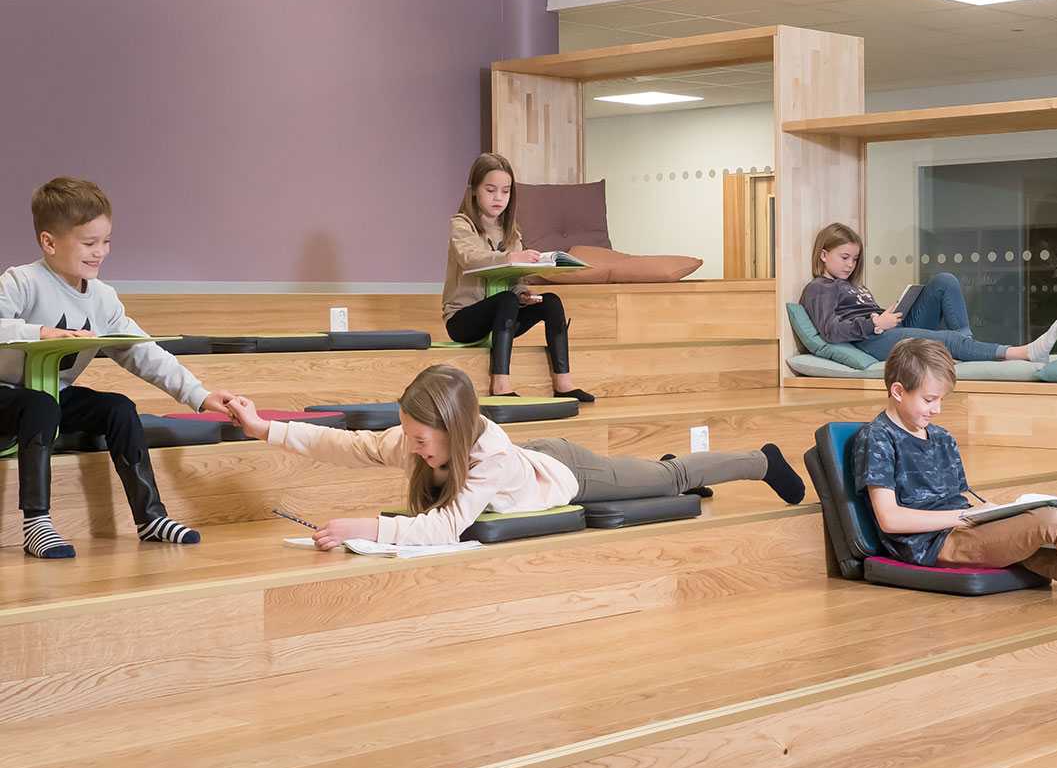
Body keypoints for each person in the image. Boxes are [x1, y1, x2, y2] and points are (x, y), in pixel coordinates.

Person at [225, 364, 806, 549]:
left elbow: (447, 526)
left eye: (422, 438)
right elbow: (344, 443)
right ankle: (664, 475)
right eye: (409, 435)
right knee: (660, 481)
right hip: (539, 467)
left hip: (567, 474)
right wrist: (263, 427)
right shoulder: (419, 440)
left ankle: (761, 460)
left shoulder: (490, 458)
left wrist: (367, 528)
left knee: (669, 475)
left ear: (453, 430)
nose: (412, 446)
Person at [0, 177, 235, 558]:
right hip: (7, 400)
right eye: (89, 243)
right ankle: (36, 523)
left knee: (119, 408)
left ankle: (150, 517)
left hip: (51, 397)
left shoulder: (103, 299)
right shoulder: (21, 282)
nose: (101, 252)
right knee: (40, 406)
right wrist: (39, 331)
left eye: (106, 241)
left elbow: (144, 353)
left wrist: (201, 395)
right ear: (49, 242)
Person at [853, 338, 1057, 578]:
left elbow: (958, 499)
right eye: (929, 400)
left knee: (1049, 549)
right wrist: (962, 517)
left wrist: (988, 513)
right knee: (1051, 520)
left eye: (941, 399)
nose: (937, 409)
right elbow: (890, 519)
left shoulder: (942, 437)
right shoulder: (877, 438)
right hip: (933, 544)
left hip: (965, 527)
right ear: (898, 391)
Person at [443, 152, 594, 402]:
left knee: (551, 301)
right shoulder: (461, 224)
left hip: (503, 316)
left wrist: (523, 293)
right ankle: (500, 383)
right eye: (491, 190)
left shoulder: (511, 232)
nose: (498, 198)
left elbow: (515, 278)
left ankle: (563, 383)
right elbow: (470, 258)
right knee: (506, 301)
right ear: (473, 190)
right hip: (464, 320)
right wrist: (509, 259)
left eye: (505, 191)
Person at [800, 222, 1057, 365]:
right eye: (844, 257)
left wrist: (886, 312)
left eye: (855, 259)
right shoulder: (819, 288)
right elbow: (830, 331)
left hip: (886, 328)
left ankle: (965, 343)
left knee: (944, 281)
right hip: (871, 341)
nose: (850, 264)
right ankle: (1023, 352)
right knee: (945, 338)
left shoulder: (852, 285)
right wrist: (875, 323)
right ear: (823, 255)